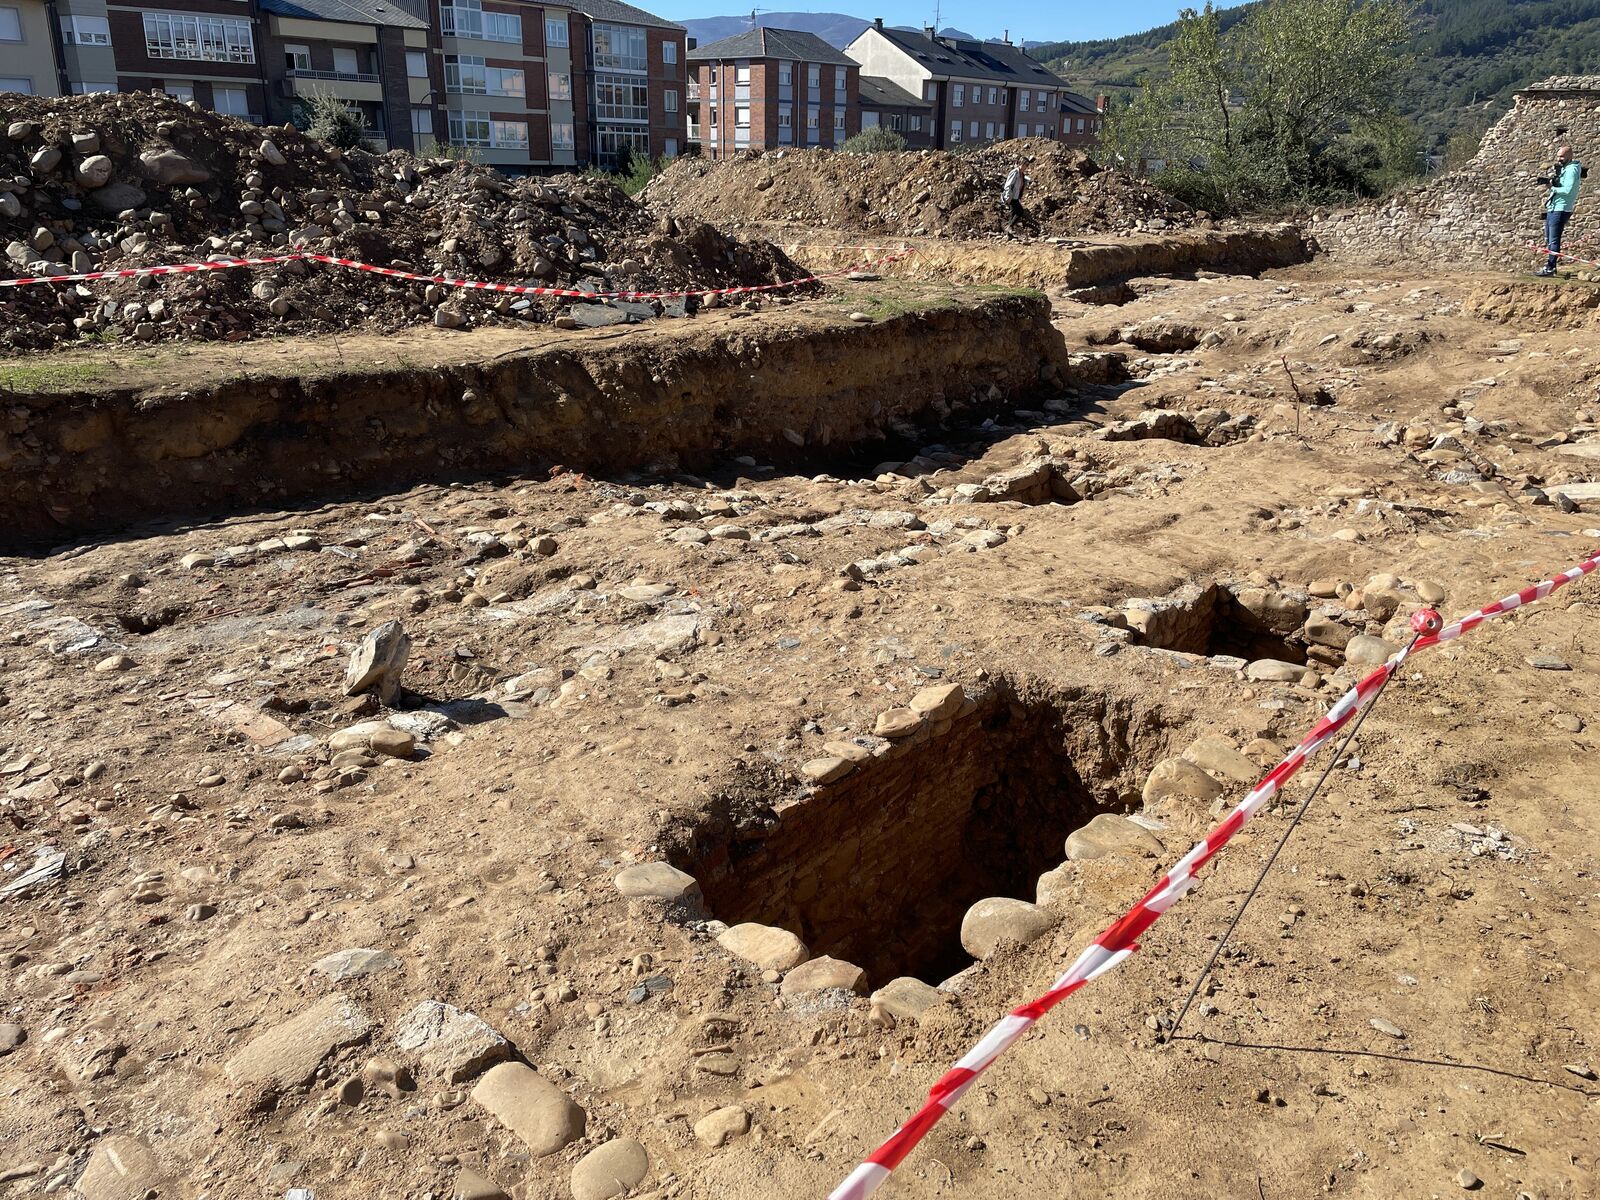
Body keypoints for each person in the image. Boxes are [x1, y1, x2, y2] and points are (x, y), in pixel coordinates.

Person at [1536, 144, 1584, 276]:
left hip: (1561, 208)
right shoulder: (1566, 169)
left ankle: (1550, 268)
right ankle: (1551, 266)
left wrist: (1551, 187)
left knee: (1554, 240)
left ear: (1569, 156)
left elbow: (1568, 190)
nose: (1559, 159)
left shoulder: (1571, 170)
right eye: (1558, 156)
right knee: (1549, 239)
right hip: (1554, 207)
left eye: (1562, 156)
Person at [1002, 162, 1031, 232]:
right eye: (1026, 165)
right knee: (1020, 211)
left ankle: (1009, 233)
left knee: (1013, 213)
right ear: (1022, 164)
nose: (1026, 167)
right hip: (1011, 196)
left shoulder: (1021, 174)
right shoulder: (1015, 172)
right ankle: (1010, 226)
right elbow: (1008, 185)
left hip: (1015, 196)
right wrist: (1008, 196)